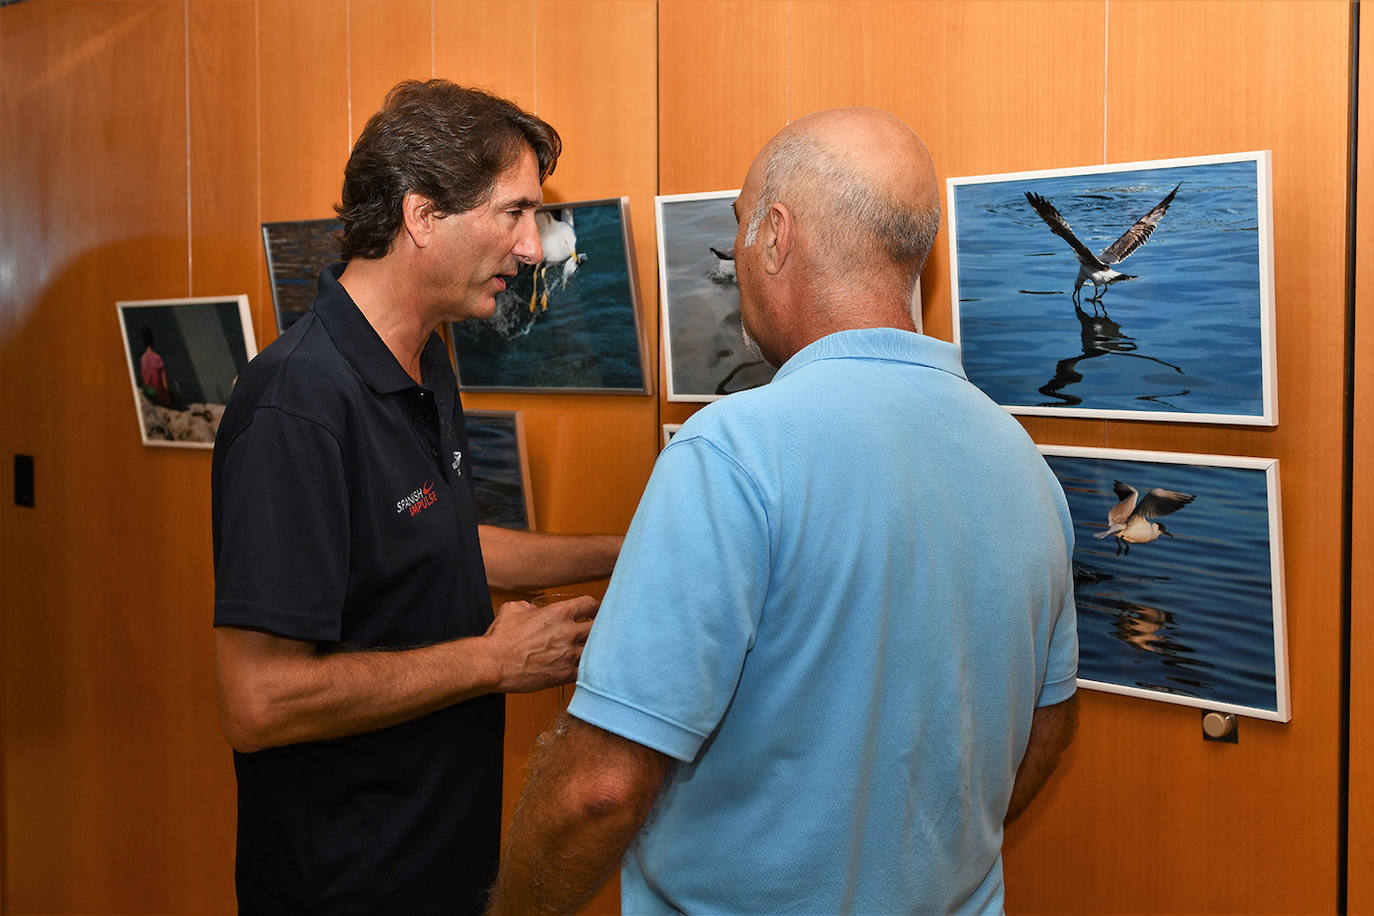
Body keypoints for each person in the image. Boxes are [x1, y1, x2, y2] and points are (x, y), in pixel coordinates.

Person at [488, 107, 1079, 915]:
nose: (735, 254)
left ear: (775, 235)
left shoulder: (734, 451)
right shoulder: (1022, 460)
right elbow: (1047, 731)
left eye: (737, 227)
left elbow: (598, 791)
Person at [211, 80, 622, 914]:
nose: (534, 247)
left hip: (441, 864)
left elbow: (442, 541)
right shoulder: (297, 404)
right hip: (345, 884)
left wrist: (626, 550)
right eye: (514, 213)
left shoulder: (426, 360)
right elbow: (258, 701)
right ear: (422, 216)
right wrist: (494, 660)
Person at [138, 325, 171, 406]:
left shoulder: (143, 359)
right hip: (159, 397)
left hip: (149, 394)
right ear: (153, 341)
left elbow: (143, 378)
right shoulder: (157, 358)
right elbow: (164, 383)